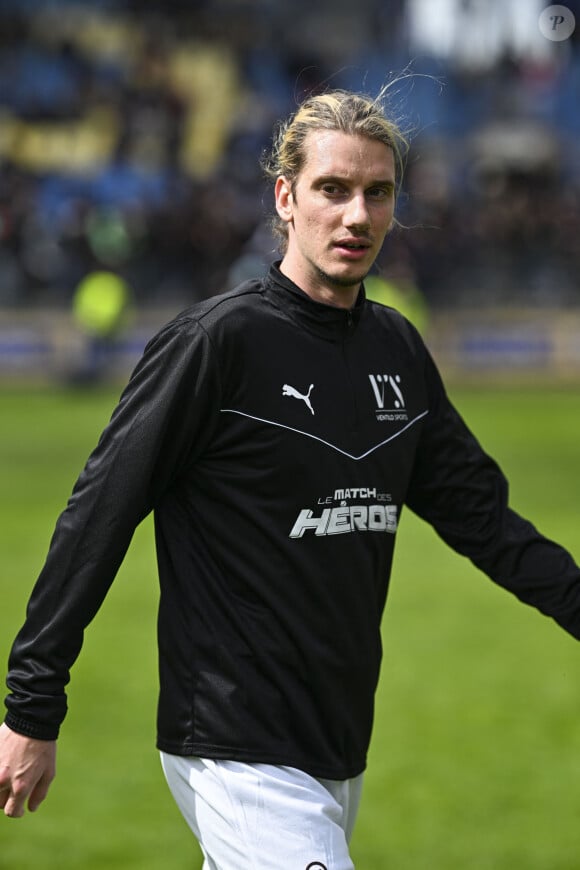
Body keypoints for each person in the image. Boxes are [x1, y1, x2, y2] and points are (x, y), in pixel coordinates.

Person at [1, 87, 580, 870]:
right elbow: (96, 515)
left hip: (337, 745)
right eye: (332, 190)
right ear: (286, 197)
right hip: (236, 745)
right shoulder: (216, 344)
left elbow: (485, 521)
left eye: (377, 193)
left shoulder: (397, 352)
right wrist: (33, 705)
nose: (357, 215)